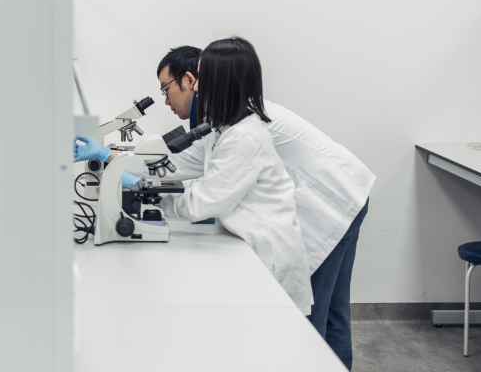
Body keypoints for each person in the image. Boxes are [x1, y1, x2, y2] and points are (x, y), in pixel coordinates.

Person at [156, 43, 374, 370]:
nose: (198, 87)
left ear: (196, 80)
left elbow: (206, 192)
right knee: (332, 316)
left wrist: (152, 191)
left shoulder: (246, 127)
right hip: (337, 194)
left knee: (316, 325)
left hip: (333, 201)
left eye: (167, 88)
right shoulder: (232, 119)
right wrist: (123, 160)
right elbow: (187, 162)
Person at [77, 38, 314, 314]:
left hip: (268, 256)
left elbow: (201, 203)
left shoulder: (245, 138)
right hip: (247, 244)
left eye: (204, 78)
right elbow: (178, 164)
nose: (197, 86)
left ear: (223, 82)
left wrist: (149, 194)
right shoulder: (223, 128)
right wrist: (113, 160)